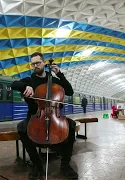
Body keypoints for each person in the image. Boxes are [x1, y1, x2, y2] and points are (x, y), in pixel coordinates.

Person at [11, 52, 78, 180]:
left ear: (43, 63)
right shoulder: (29, 80)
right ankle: (37, 166)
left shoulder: (54, 80)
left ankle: (65, 165)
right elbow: (13, 84)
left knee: (71, 125)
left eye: (38, 63)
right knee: (22, 128)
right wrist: (26, 86)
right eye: (33, 64)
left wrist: (59, 74)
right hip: (35, 116)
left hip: (55, 115)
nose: (35, 65)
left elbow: (69, 91)